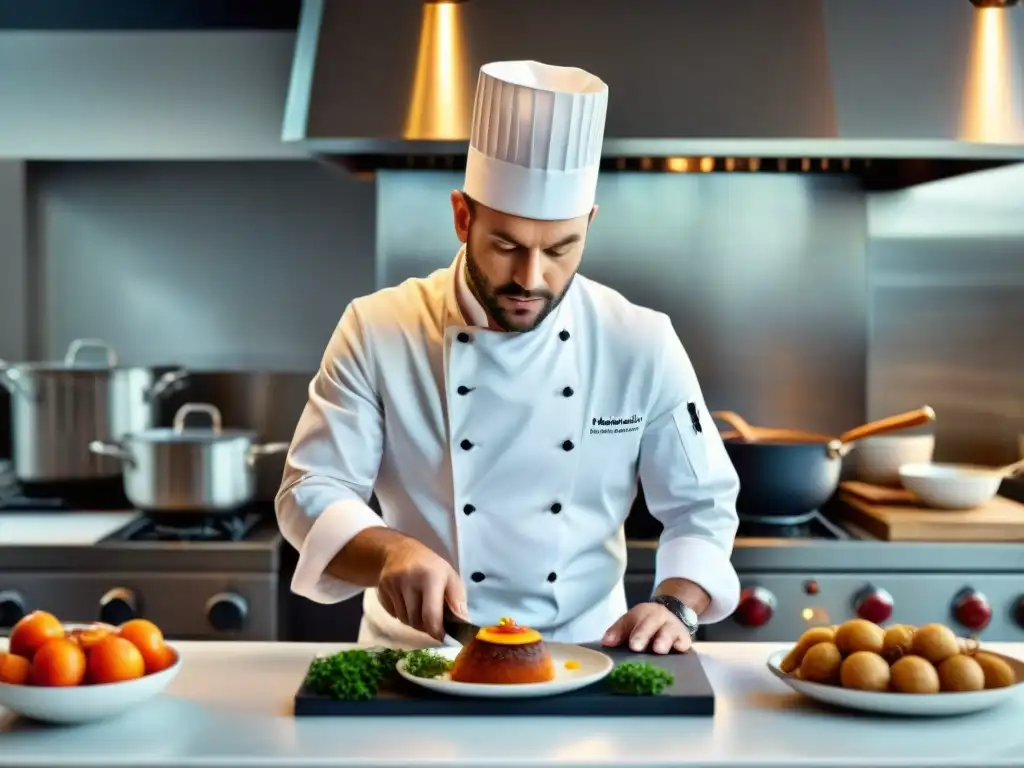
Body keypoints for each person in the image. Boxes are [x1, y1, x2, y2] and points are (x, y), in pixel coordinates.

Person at [276, 60, 740, 654]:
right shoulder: (378, 328)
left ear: (589, 225)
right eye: (506, 245)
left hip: (584, 660)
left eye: (560, 248)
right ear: (463, 217)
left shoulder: (640, 341)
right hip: (414, 660)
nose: (531, 278)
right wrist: (390, 550)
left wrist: (676, 604)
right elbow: (310, 489)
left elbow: (702, 505)